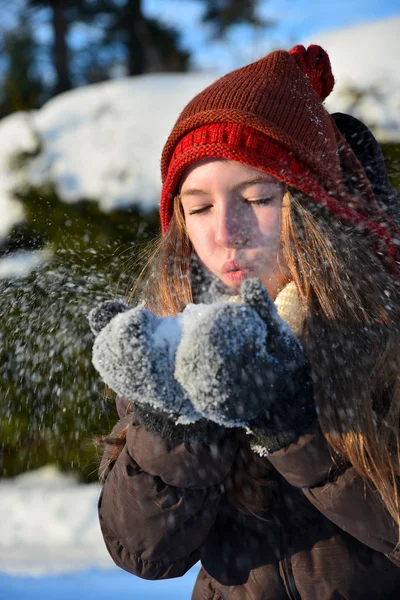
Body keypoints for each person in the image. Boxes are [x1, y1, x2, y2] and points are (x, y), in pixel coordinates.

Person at [89, 45, 400, 599]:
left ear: (313, 205)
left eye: (256, 196)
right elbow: (144, 553)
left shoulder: (383, 326)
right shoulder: (178, 330)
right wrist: (174, 420)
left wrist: (291, 424)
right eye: (199, 207)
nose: (225, 231)